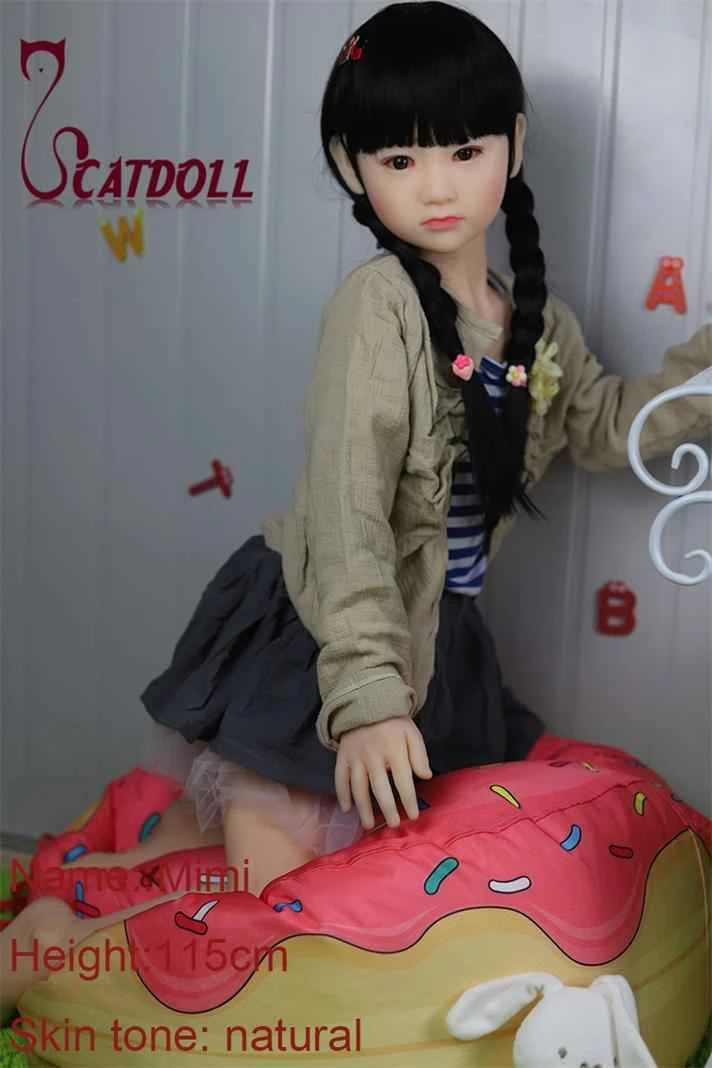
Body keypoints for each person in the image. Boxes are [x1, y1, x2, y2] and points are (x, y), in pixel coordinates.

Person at [3, 1, 710, 1011]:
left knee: (291, 875)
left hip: (433, 639)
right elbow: (349, 512)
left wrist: (702, 371)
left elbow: (603, 426)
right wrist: (369, 698)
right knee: (277, 900)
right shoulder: (378, 306)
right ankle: (51, 948)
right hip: (328, 632)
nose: (435, 186)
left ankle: (86, 893)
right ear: (353, 167)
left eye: (464, 151)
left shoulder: (536, 324)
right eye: (399, 159)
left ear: (513, 148)